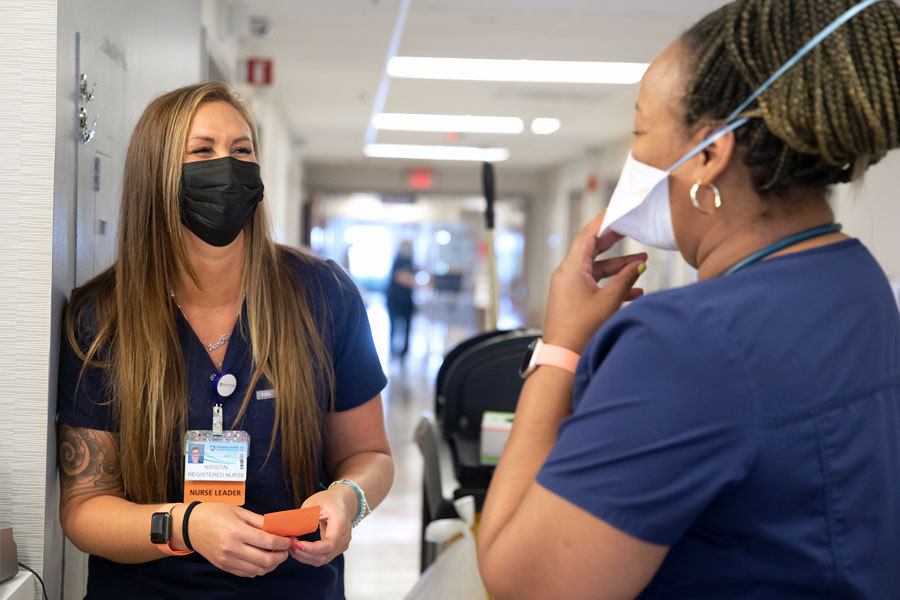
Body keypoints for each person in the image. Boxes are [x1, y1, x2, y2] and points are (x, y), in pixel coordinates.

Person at [477, 1, 900, 598]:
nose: (634, 157)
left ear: (708, 154)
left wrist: (561, 346)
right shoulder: (859, 285)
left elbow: (524, 584)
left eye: (640, 132)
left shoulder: (686, 342)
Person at [56, 82, 394, 598]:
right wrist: (186, 526)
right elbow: (85, 508)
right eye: (202, 151)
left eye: (241, 150)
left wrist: (347, 498)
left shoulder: (324, 295)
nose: (228, 166)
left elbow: (371, 455)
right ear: (158, 174)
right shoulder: (102, 318)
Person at [386, 240, 416, 360]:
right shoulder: (397, 261)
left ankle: (404, 352)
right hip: (394, 299)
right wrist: (411, 281)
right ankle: (392, 350)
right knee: (393, 326)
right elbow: (401, 278)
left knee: (407, 327)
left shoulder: (411, 263)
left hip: (407, 301)